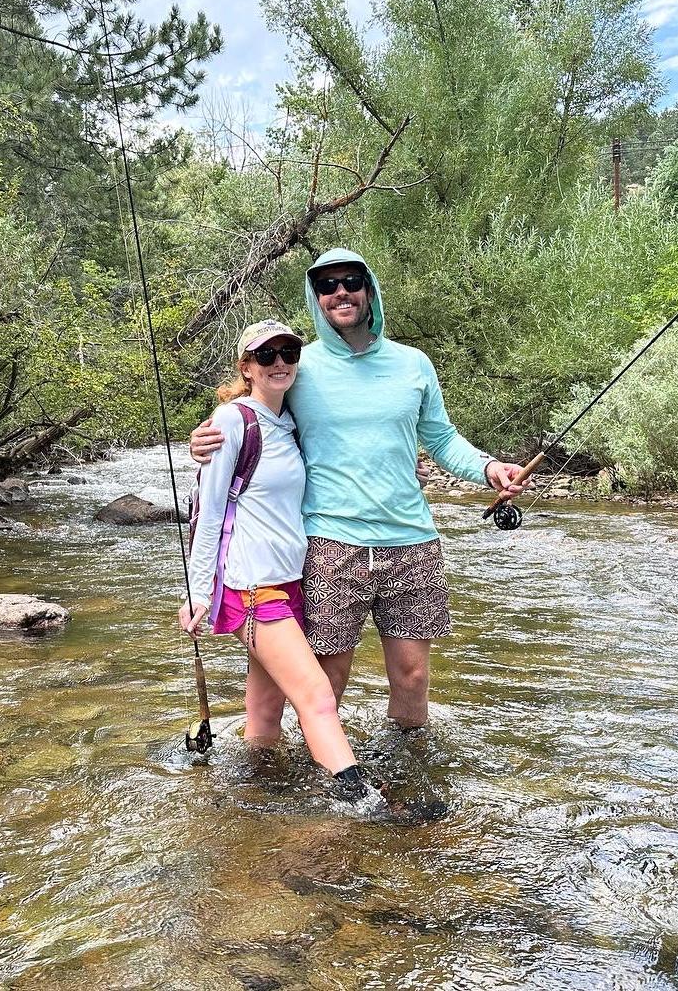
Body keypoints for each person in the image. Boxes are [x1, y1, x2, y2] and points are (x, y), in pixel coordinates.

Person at [191, 249, 528, 730]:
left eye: (351, 281)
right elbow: (255, 418)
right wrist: (203, 442)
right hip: (329, 544)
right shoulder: (297, 365)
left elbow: (442, 438)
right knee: (330, 679)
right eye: (327, 286)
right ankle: (323, 791)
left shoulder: (414, 365)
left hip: (412, 542)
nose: (340, 291)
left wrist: (490, 468)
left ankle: (408, 783)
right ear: (316, 298)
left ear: (369, 290)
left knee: (412, 678)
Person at [179, 318, 380, 806]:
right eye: (266, 356)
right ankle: (363, 803)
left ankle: (254, 793)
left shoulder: (289, 424)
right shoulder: (232, 421)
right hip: (251, 587)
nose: (280, 363)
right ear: (246, 367)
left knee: (265, 714)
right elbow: (209, 511)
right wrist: (197, 592)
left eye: (288, 353)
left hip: (289, 583)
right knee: (316, 697)